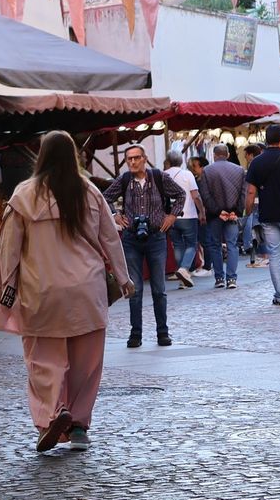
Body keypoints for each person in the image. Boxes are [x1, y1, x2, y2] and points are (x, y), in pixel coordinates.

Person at [0, 131, 134, 452]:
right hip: (87, 290)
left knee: (44, 360)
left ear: (40, 156)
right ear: (74, 156)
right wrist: (123, 278)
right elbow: (110, 238)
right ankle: (79, 426)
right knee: (87, 362)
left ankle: (52, 415)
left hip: (41, 291)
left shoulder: (23, 195)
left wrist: (8, 288)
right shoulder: (90, 192)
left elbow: (10, 250)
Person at [103, 144, 184, 348]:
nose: (132, 162)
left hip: (156, 237)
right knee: (135, 289)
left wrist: (172, 216)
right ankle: (135, 334)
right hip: (131, 239)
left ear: (145, 159)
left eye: (136, 158)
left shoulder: (158, 177)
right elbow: (104, 198)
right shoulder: (124, 180)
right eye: (129, 159)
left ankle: (162, 333)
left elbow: (181, 195)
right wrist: (115, 215)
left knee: (159, 289)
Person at [244, 125, 280, 306]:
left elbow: (251, 192)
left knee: (275, 254)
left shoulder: (256, 163)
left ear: (266, 140)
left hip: (268, 214)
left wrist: (247, 212)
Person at [201, 144, 246, 289]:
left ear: (214, 155)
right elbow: (243, 193)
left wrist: (217, 211)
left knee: (215, 245)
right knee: (232, 245)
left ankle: (219, 278)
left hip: (215, 215)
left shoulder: (207, 171)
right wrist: (236, 212)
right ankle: (232, 279)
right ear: (227, 154)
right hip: (232, 213)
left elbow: (205, 195)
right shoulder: (239, 170)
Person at [163, 151, 202, 289]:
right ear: (181, 161)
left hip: (171, 216)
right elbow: (195, 195)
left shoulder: (163, 174)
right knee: (192, 244)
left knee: (178, 245)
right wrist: (202, 211)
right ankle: (184, 269)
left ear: (168, 161)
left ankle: (182, 278)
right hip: (188, 214)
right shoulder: (187, 174)